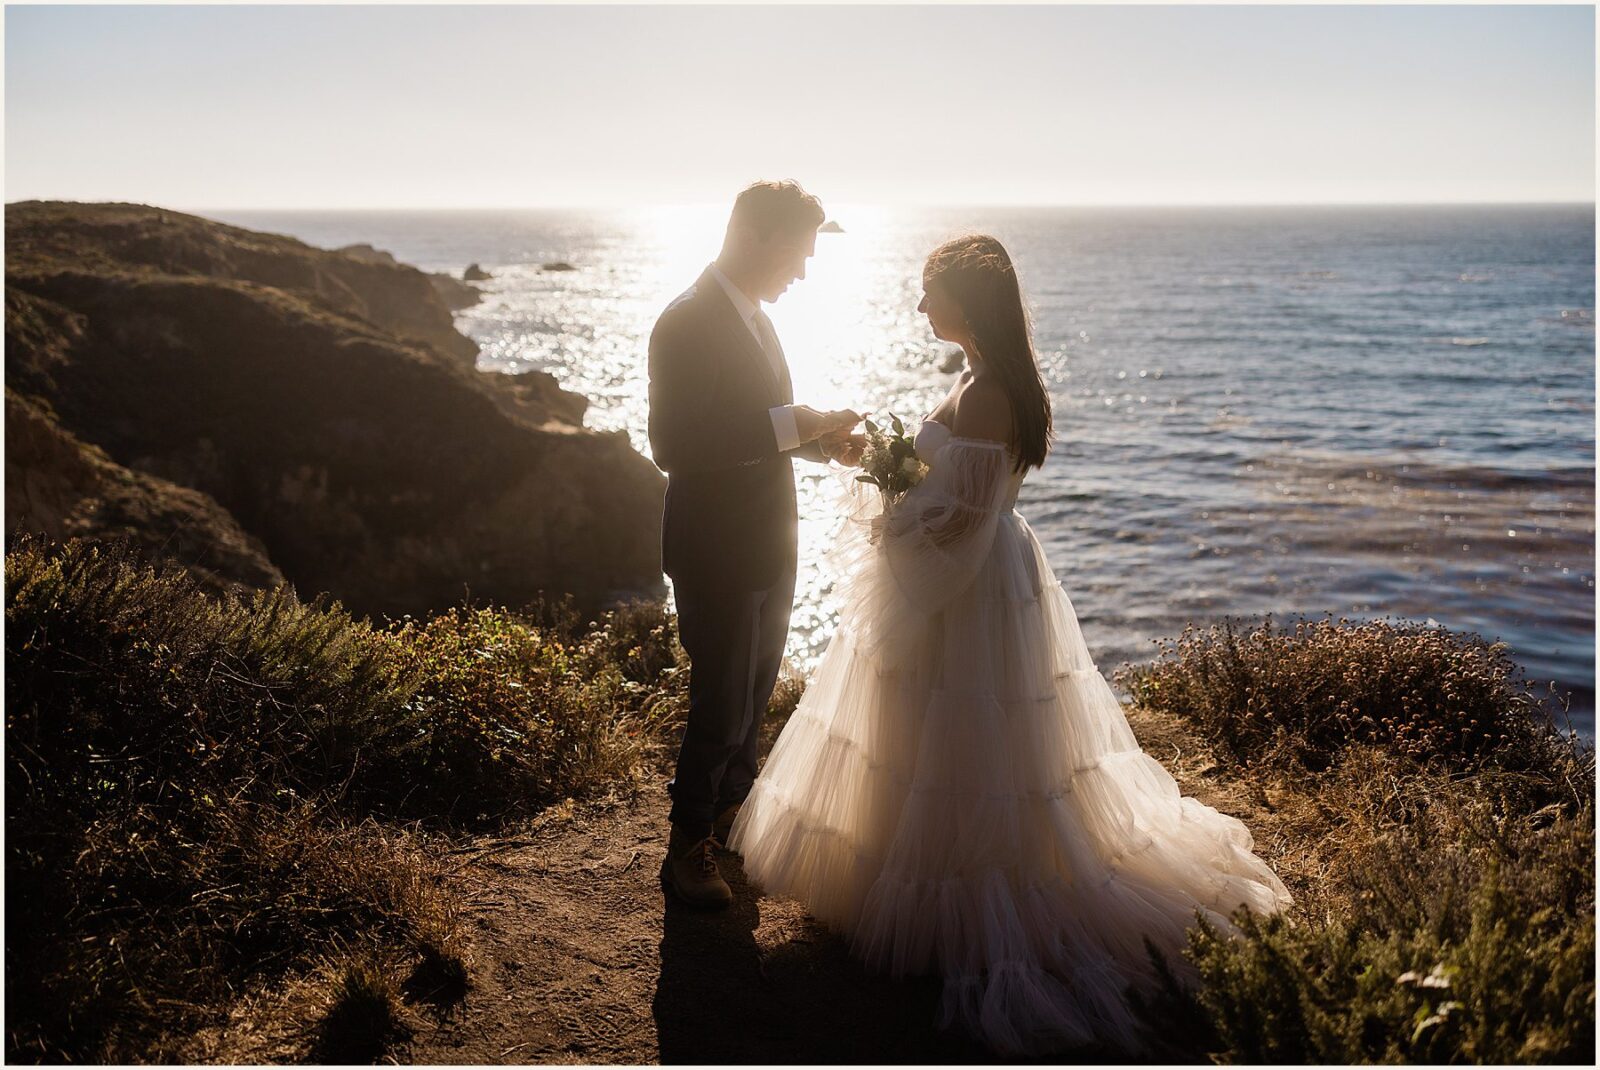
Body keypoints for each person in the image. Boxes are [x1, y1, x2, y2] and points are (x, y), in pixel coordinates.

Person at [727, 234, 1293, 1055]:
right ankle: (912, 875)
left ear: (970, 300)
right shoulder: (980, 379)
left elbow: (964, 517)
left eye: (931, 293)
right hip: (968, 572)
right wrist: (886, 474)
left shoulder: (991, 391)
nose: (921, 307)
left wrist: (893, 515)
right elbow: (955, 495)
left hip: (971, 586)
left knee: (968, 737)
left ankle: (966, 891)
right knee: (927, 736)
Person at [646, 179, 863, 908]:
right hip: (716, 549)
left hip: (770, 541)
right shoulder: (686, 322)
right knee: (721, 700)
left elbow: (758, 426)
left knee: (753, 696)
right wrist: (792, 424)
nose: (800, 272)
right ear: (758, 237)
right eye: (796, 253)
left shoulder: (757, 319)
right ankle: (687, 848)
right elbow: (674, 443)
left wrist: (818, 443)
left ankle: (732, 817)